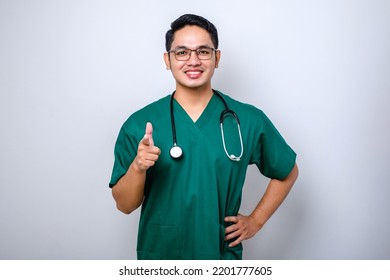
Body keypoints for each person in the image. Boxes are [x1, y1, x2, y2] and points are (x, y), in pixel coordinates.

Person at [109, 14, 299, 260]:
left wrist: (256, 221)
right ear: (167, 60)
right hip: (160, 256)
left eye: (203, 52)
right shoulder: (139, 124)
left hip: (220, 256)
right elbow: (124, 205)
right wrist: (138, 167)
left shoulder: (248, 119)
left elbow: (287, 171)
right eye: (181, 53)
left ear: (217, 58)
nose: (193, 60)